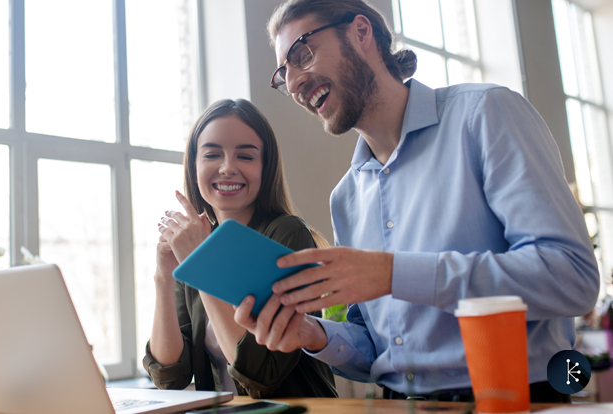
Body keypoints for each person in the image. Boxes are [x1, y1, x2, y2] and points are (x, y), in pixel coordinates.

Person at [232, 0, 600, 403]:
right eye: (285, 74)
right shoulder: (347, 198)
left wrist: (396, 273)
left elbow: (572, 277)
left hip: (510, 400)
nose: (296, 82)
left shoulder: (486, 115)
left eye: (303, 54)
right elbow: (379, 345)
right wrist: (314, 334)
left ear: (360, 32)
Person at [142, 99, 338, 399]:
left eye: (245, 156)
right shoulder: (195, 245)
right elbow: (170, 376)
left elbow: (262, 377)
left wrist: (202, 264)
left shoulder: (287, 234)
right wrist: (163, 277)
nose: (227, 168)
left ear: (265, 167)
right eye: (211, 154)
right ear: (195, 167)